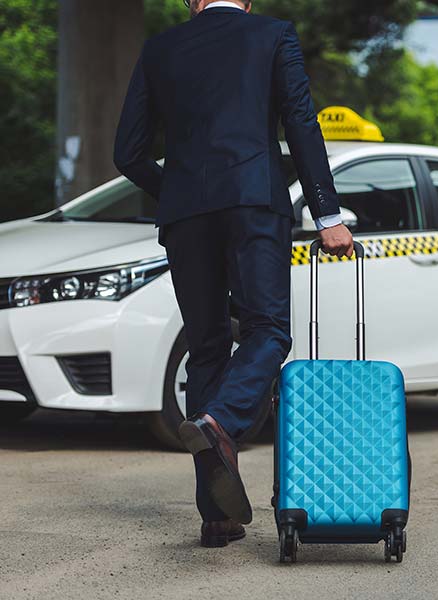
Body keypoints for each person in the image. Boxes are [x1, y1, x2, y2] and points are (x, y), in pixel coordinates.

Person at [113, 0, 354, 548]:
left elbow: (127, 153)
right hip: (252, 202)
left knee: (207, 347)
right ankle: (220, 422)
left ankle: (216, 517)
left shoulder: (160, 48)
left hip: (185, 215)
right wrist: (328, 215)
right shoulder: (272, 35)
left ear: (191, 1)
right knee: (268, 329)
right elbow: (300, 121)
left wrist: (177, 188)